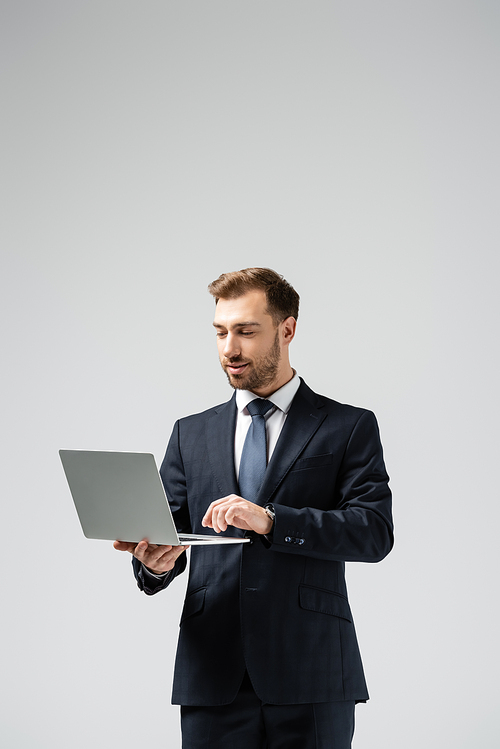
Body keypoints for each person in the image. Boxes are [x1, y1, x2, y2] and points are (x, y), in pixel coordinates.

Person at [114, 267, 393, 749]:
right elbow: (169, 535)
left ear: (287, 329)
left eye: (246, 331)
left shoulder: (347, 426)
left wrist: (273, 520)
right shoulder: (190, 433)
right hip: (212, 674)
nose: (230, 348)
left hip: (312, 671)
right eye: (220, 332)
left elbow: (373, 532)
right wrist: (155, 563)